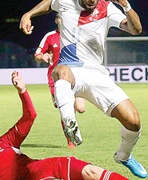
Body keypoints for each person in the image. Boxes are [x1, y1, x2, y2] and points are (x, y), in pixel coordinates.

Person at [19, 0, 147, 178]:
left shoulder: (107, 7)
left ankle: (123, 156)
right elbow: (49, 3)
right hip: (72, 69)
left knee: (133, 121)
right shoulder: (65, 2)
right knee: (60, 71)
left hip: (98, 74)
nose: (92, 1)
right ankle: (70, 122)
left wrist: (126, 6)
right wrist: (28, 14)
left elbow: (136, 29)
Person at [0, 71, 129, 180]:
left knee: (91, 172)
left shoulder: (5, 143)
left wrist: (22, 91)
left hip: (46, 168)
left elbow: (30, 116)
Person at [34, 13, 86, 149]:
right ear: (57, 20)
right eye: (61, 18)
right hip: (57, 79)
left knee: (80, 108)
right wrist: (42, 56)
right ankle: (70, 140)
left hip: (76, 76)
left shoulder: (76, 34)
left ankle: (71, 120)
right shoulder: (50, 36)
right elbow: (38, 55)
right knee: (65, 108)